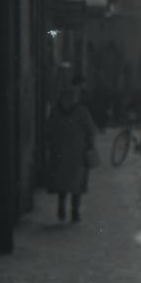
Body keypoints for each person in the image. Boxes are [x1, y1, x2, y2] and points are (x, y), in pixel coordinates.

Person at [43, 80, 100, 225]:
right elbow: (91, 130)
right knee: (77, 184)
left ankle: (61, 206)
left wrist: (52, 145)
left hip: (59, 152)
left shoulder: (56, 112)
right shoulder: (82, 111)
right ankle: (75, 211)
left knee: (62, 182)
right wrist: (90, 144)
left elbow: (48, 131)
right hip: (78, 153)